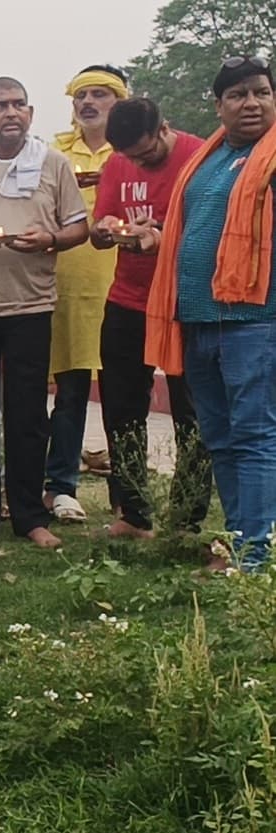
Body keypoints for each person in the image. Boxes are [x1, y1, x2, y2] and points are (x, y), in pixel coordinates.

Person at [0, 76, 89, 550]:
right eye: (0, 105)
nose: (11, 113)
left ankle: (29, 515)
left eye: (19, 105)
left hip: (32, 304)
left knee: (28, 415)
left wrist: (49, 239)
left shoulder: (52, 163)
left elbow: (78, 227)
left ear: (30, 114)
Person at [144, 56, 276, 570]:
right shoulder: (209, 158)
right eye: (238, 95)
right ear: (218, 105)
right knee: (220, 439)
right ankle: (241, 541)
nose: (252, 103)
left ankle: (256, 555)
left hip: (255, 322)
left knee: (255, 436)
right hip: (198, 319)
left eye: (262, 92)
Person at [91, 96, 212, 541]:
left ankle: (186, 518)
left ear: (164, 128)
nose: (138, 164)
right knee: (122, 407)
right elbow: (98, 231)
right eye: (130, 157)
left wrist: (159, 236)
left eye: (146, 154)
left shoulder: (200, 157)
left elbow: (211, 232)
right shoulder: (117, 163)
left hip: (185, 301)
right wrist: (105, 229)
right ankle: (134, 512)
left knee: (192, 413)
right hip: (128, 300)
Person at [45, 65, 130, 522]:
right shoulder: (55, 152)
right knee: (71, 389)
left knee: (122, 394)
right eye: (82, 96)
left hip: (121, 286)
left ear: (120, 102)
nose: (89, 103)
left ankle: (128, 494)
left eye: (100, 94)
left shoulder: (133, 151)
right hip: (67, 285)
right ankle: (61, 486)